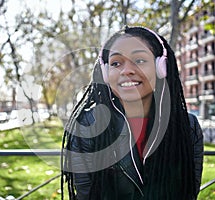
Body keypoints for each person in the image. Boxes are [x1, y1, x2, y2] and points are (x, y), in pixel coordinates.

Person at [61, 26, 203, 200]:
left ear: (161, 67)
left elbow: (188, 193)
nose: (126, 70)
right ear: (105, 73)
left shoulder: (187, 126)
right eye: (116, 63)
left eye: (140, 60)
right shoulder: (87, 126)